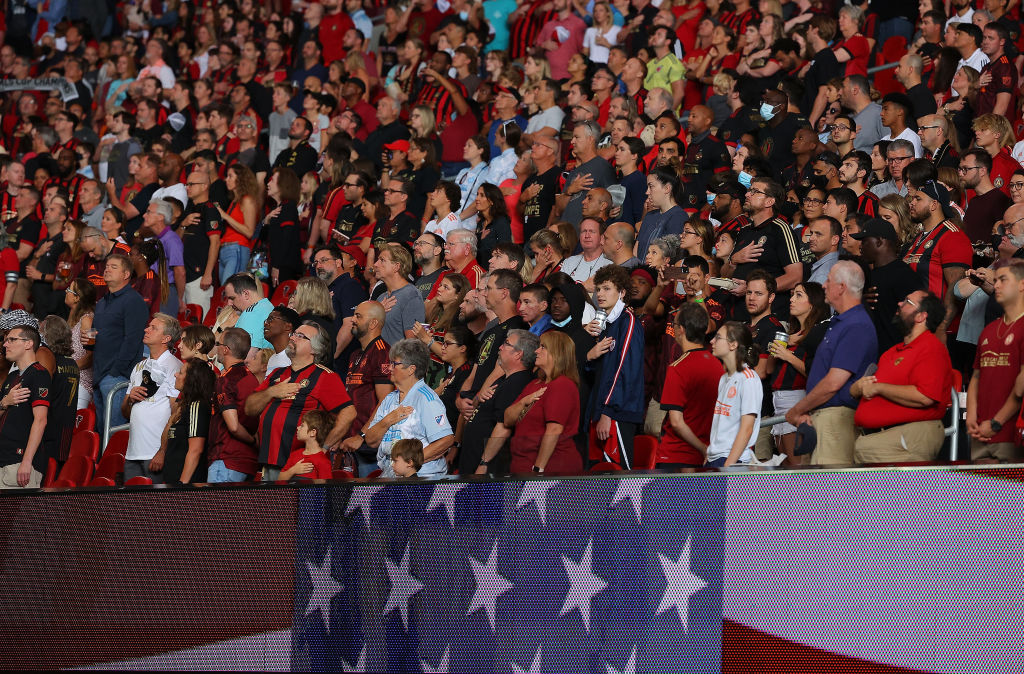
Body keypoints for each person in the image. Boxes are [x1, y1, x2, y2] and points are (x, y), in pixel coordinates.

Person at [785, 261, 879, 464]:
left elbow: (834, 382)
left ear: (842, 287)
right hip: (823, 417)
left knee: (828, 492)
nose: (824, 286)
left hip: (835, 420)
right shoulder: (841, 322)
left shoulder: (857, 325)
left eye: (828, 281)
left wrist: (797, 409)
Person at [245, 321, 356, 480]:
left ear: (315, 349)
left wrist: (323, 448)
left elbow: (349, 413)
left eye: (300, 336)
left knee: (292, 505)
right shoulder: (277, 373)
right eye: (294, 333)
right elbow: (249, 408)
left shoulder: (325, 377)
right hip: (265, 465)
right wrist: (272, 392)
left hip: (299, 469)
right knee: (264, 505)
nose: (293, 338)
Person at [851, 291, 954, 463]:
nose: (899, 303)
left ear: (921, 316)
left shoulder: (931, 348)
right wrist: (859, 387)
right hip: (878, 440)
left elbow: (925, 396)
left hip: (907, 437)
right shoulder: (890, 353)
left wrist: (878, 387)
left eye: (907, 302)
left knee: (900, 490)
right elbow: (858, 391)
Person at [343, 339, 454, 477]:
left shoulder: (426, 399)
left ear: (411, 369)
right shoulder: (389, 399)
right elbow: (371, 440)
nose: (389, 368)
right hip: (392, 476)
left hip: (422, 478)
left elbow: (446, 440)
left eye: (394, 364)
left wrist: (410, 463)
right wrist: (388, 420)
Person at [495, 330, 583, 475]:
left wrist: (538, 470)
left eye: (543, 347)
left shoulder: (562, 385)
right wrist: (524, 401)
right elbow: (507, 419)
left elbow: (554, 430)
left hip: (550, 472)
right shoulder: (535, 384)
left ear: (557, 353)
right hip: (522, 468)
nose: (536, 350)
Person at [585, 264, 645, 469]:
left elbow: (624, 370)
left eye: (607, 288)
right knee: (598, 478)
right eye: (598, 289)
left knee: (618, 478)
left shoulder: (627, 321)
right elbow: (598, 372)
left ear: (622, 292)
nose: (600, 294)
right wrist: (589, 354)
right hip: (601, 409)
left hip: (616, 412)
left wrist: (608, 412)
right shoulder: (605, 324)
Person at [966, 259, 1024, 463]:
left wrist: (996, 423)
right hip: (980, 431)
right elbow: (976, 375)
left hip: (1009, 433)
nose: (996, 285)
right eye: (996, 280)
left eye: (1003, 280)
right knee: (978, 493)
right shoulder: (989, 330)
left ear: (1022, 284)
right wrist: (971, 415)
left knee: (1008, 493)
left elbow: (1020, 389)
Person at [461, 328, 540, 474]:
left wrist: (485, 463)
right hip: (472, 461)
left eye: (506, 344)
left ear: (518, 354)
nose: (500, 347)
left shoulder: (517, 382)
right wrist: (478, 399)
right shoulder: (505, 380)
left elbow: (503, 427)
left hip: (488, 469)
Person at [658, 302, 725, 469]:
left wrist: (703, 449)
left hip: (677, 456)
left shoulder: (678, 367)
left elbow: (676, 422)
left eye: (674, 325)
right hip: (707, 457)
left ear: (681, 329)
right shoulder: (717, 365)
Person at [121, 314, 183, 483]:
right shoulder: (139, 366)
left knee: (155, 507)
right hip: (133, 452)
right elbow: (125, 412)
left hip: (156, 453)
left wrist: (163, 451)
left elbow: (176, 414)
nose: (146, 329)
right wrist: (130, 399)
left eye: (153, 328)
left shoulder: (175, 367)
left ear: (166, 338)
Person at [92, 253, 148, 436]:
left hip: (117, 376)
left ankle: (113, 466)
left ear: (126, 274)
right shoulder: (101, 303)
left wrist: (116, 370)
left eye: (113, 267)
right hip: (99, 374)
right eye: (106, 266)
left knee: (114, 433)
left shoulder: (134, 301)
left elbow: (133, 340)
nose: (107, 269)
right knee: (102, 430)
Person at [207, 327, 260, 483]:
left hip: (226, 459)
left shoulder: (226, 380)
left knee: (218, 507)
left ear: (225, 349)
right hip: (248, 461)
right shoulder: (252, 378)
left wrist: (251, 440)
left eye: (218, 344)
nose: (216, 348)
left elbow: (234, 426)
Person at [706, 321, 762, 467]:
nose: (712, 341)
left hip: (731, 460)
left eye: (718, 337)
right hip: (715, 457)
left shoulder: (749, 379)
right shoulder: (724, 378)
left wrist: (728, 465)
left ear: (733, 345)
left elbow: (747, 428)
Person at [153, 358, 217, 484]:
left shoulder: (197, 406)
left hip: (187, 486)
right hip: (173, 481)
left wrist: (182, 484)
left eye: (181, 373)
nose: (176, 375)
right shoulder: (185, 406)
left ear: (191, 379)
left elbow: (195, 450)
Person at [38, 316, 80, 467]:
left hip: (49, 429)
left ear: (48, 334)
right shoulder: (72, 363)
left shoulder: (48, 359)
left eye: (40, 331)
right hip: (65, 429)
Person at [373, 243, 426, 346]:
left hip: (398, 361)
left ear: (396, 266)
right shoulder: (381, 298)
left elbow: (412, 344)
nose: (375, 264)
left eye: (382, 260)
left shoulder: (411, 295)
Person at [65, 277, 96, 410]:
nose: (66, 292)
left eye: (69, 290)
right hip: (69, 378)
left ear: (77, 298)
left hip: (80, 382)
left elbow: (91, 356)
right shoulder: (72, 318)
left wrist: (67, 369)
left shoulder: (87, 320)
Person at [224, 273, 274, 350]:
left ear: (246, 294)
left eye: (232, 298)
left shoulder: (250, 314)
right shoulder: (268, 305)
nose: (229, 303)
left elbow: (249, 356)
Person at [280, 409, 335, 480]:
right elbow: (280, 480)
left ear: (313, 432)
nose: (298, 428)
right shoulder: (295, 454)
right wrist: (293, 470)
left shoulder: (323, 462)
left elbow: (326, 489)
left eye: (302, 425)